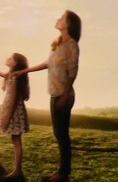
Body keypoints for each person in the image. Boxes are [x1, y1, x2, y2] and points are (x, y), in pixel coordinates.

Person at [19, 10, 80, 182]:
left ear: (68, 24)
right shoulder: (59, 45)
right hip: (55, 94)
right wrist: (26, 70)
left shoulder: (72, 45)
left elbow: (73, 73)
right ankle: (61, 173)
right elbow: (48, 63)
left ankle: (62, 174)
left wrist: (65, 95)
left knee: (62, 134)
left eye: (62, 18)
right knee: (59, 133)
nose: (58, 19)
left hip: (63, 95)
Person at [0, 53, 30, 181]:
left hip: (12, 112)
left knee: (16, 139)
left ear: (15, 63)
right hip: (12, 111)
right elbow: (3, 74)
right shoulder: (11, 75)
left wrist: (6, 118)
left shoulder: (14, 79)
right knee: (16, 140)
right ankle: (16, 170)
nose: (8, 58)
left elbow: (12, 100)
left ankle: (17, 171)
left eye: (11, 58)